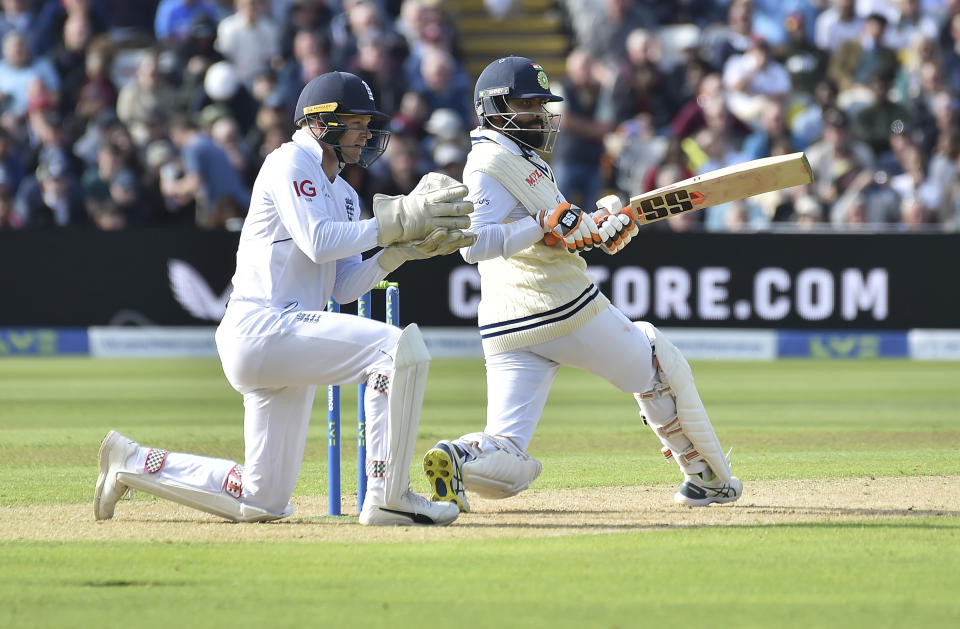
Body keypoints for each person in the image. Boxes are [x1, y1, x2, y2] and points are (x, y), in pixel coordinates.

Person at [94, 71, 476, 526]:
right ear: (320, 123)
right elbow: (317, 240)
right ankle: (388, 494)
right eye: (356, 122)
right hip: (263, 325)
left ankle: (130, 461)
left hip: (286, 339)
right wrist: (392, 224)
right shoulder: (289, 161)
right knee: (395, 351)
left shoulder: (348, 195)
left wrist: (398, 252)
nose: (366, 134)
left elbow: (342, 286)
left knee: (262, 501)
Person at [420, 56, 742, 514]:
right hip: (558, 306)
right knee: (655, 361)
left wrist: (598, 227)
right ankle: (707, 478)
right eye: (524, 104)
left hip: (506, 323)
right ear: (491, 107)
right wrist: (543, 223)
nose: (537, 114)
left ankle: (459, 455)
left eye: (540, 105)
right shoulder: (489, 163)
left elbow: (556, 229)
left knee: (508, 446)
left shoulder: (521, 159)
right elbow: (474, 245)